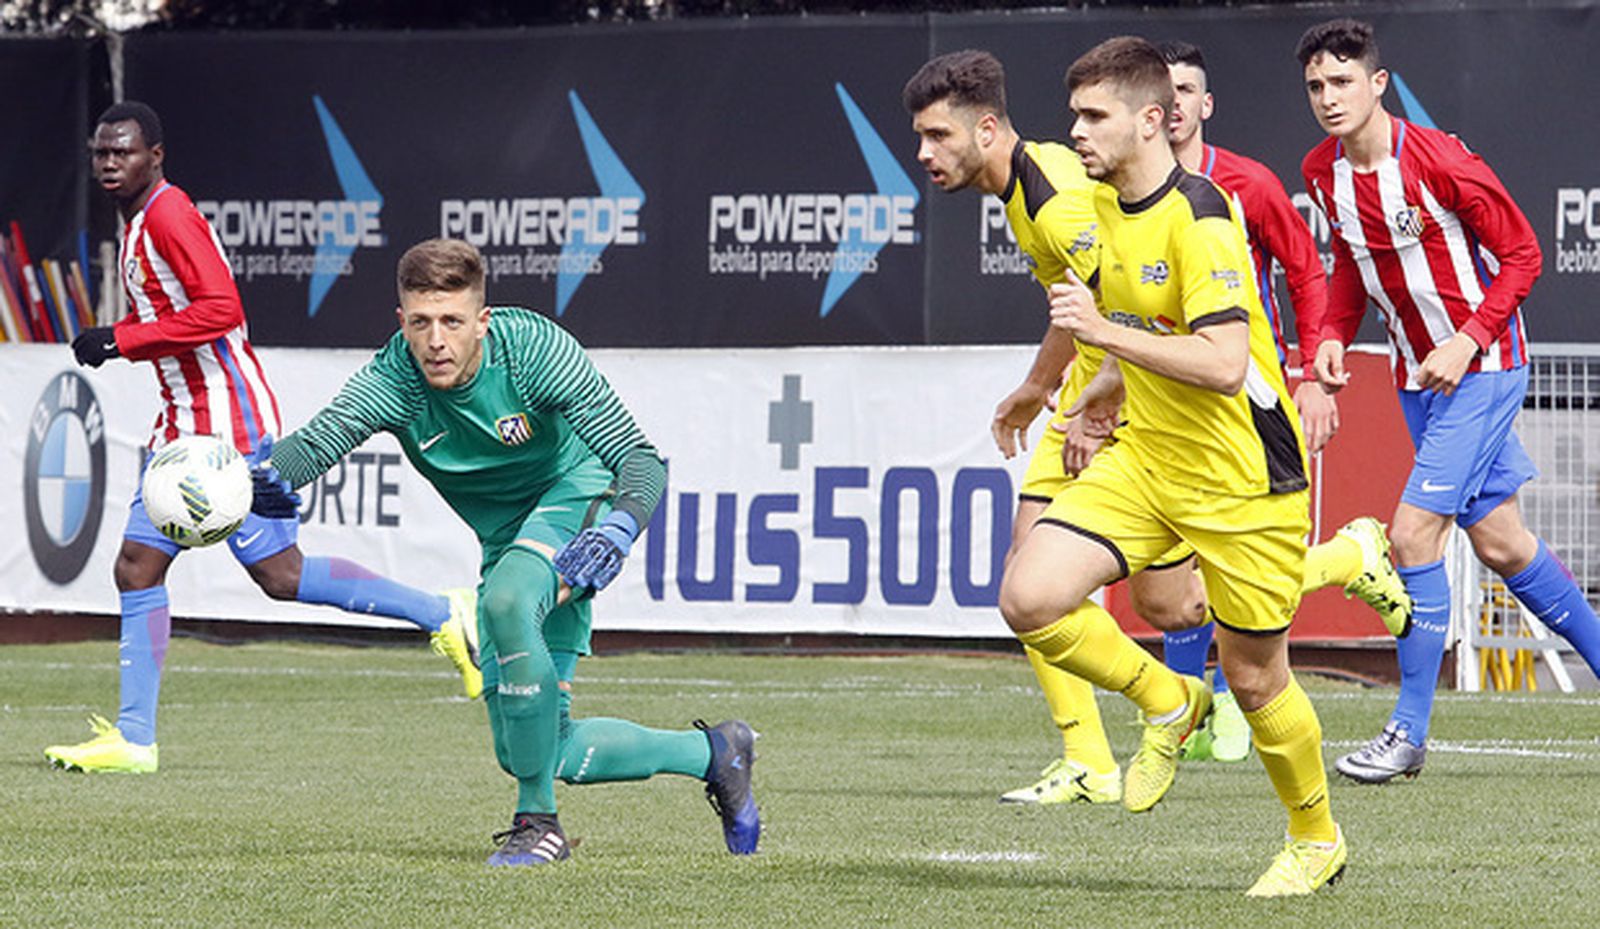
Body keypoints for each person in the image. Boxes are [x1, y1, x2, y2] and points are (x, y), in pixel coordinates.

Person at [260, 238, 759, 865]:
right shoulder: (396, 379)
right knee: (541, 750)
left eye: (452, 322)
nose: (435, 340)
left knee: (506, 601)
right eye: (420, 323)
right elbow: (318, 441)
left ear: (482, 322)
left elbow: (638, 459)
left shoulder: (533, 353)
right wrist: (254, 482)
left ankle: (537, 825)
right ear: (401, 323)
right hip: (505, 538)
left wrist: (619, 528)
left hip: (576, 496)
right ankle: (718, 753)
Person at [43, 102, 480, 776]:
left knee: (195, 568)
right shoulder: (138, 223)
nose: (109, 163)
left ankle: (441, 612)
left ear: (154, 156)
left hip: (223, 420)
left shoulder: (166, 213)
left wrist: (120, 338)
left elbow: (222, 308)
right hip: (184, 417)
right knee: (236, 572)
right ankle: (440, 612)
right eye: (100, 152)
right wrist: (128, 336)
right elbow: (178, 311)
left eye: (122, 152)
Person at [1010, 36, 1344, 895]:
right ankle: (1168, 699)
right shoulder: (1098, 205)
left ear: (1152, 120)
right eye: (1073, 115)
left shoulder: (1199, 214)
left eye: (1094, 116)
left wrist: (1102, 338)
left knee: (1256, 672)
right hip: (1149, 459)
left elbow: (1225, 360)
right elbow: (1149, 326)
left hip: (1241, 471)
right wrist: (1097, 391)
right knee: (1031, 594)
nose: (1077, 132)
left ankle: (1314, 837)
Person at [1298, 18, 1600, 783]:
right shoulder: (1320, 171)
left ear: (1377, 83)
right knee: (1501, 543)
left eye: (1341, 82)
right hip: (1417, 379)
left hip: (1485, 365)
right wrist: (1331, 334)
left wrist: (1467, 337)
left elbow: (1525, 253)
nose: (1328, 99)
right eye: (1315, 87)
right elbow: (1346, 271)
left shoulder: (1439, 159)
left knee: (1411, 535)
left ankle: (1408, 731)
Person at [905, 49, 1208, 806]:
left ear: (985, 127)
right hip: (1095, 389)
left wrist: (1104, 407)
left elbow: (1137, 300)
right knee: (1041, 580)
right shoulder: (1024, 187)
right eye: (919, 137)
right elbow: (1077, 306)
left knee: (1171, 603)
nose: (923, 153)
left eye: (938, 135)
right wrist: (1039, 386)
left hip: (1139, 399)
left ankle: (1340, 562)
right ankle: (1093, 758)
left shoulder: (1058, 202)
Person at [1156, 38, 1413, 762]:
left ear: (1205, 105)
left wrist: (1309, 377)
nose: (1173, 105)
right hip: (1167, 399)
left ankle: (1218, 712)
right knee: (1168, 574)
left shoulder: (1249, 183)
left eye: (1185, 91)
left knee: (1242, 562)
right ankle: (1344, 560)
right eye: (1160, 90)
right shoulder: (1119, 192)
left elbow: (1307, 274)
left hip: (1248, 397)